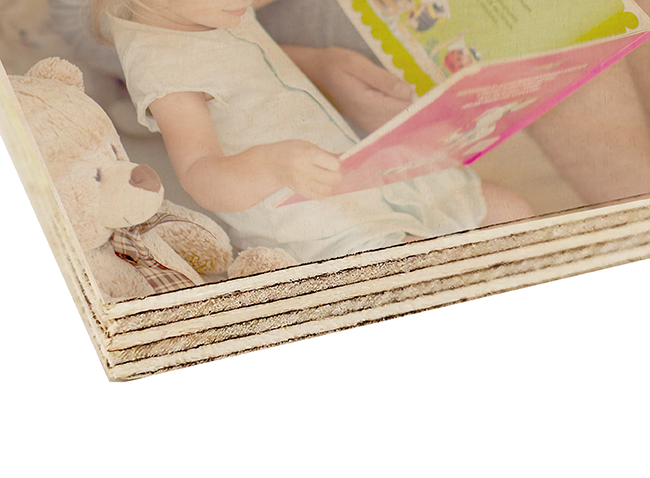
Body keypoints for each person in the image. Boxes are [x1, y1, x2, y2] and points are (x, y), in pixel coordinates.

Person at [73, 0, 530, 265]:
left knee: (510, 209)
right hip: (319, 222)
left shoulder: (205, 9)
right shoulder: (163, 65)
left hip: (363, 175)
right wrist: (273, 164)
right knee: (423, 266)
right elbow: (200, 174)